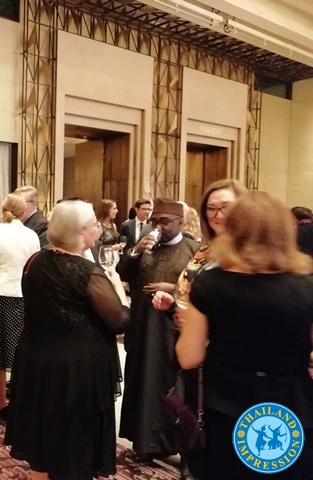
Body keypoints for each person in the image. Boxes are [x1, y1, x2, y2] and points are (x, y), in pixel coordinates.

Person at [176, 191, 313, 480]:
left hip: (226, 405)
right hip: (291, 405)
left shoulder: (210, 283)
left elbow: (188, 357)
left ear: (233, 230)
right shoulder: (307, 287)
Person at [5, 200, 130, 480]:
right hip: (76, 369)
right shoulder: (87, 272)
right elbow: (119, 320)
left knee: (42, 433)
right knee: (74, 441)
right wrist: (119, 290)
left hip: (38, 358)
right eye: (94, 225)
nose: (98, 229)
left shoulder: (35, 261)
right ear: (80, 232)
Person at [152, 178, 247, 479]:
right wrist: (173, 304)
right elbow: (190, 294)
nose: (217, 215)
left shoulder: (249, 254)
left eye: (225, 207)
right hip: (193, 348)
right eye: (211, 209)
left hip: (226, 355)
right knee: (193, 423)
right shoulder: (206, 250)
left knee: (220, 435)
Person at [116, 198, 200, 463]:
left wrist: (173, 289)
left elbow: (203, 292)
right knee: (142, 381)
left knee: (168, 385)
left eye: (165, 221)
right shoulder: (147, 245)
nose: (159, 226)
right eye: (154, 221)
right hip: (142, 327)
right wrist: (135, 251)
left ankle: (171, 442)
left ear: (181, 222)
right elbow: (122, 271)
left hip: (170, 331)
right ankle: (145, 443)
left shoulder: (193, 251)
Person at [0, 193, 40, 420]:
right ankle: (24, 401)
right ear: (24, 211)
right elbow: (34, 265)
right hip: (24, 296)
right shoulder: (32, 234)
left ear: (4, 209)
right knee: (21, 350)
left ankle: (1, 402)